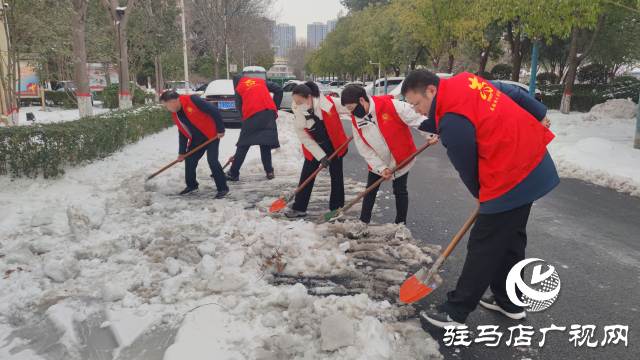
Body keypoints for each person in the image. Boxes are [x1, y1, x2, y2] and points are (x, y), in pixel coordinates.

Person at [400, 69, 558, 328]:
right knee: (510, 237)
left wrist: (482, 197)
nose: (416, 110)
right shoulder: (465, 81)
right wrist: (539, 113)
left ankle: (456, 310)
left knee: (484, 244)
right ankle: (508, 300)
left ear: (431, 90)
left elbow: (468, 168)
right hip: (532, 161)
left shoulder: (451, 119)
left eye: (417, 104)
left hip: (512, 175)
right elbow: (512, 91)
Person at [340, 84, 435, 240]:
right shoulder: (356, 120)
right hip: (378, 160)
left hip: (401, 158)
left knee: (400, 190)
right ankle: (363, 223)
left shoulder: (390, 105)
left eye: (351, 108)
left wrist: (430, 135)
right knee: (370, 190)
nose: (351, 112)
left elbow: (417, 118)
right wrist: (380, 167)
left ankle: (400, 225)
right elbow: (364, 147)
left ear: (362, 100)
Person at [286, 82, 349, 218]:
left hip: (335, 145)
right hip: (314, 146)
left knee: (337, 177)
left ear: (309, 97)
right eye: (295, 101)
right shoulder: (298, 112)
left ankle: (336, 209)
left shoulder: (329, 103)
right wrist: (321, 156)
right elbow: (304, 138)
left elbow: (352, 106)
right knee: (307, 175)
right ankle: (299, 208)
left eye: (300, 101)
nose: (297, 104)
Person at [160, 90, 229, 198]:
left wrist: (220, 129)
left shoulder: (192, 100)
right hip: (197, 139)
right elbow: (182, 132)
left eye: (166, 106)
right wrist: (182, 152)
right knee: (190, 159)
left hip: (211, 135)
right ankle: (192, 186)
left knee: (212, 160)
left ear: (173, 102)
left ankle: (223, 188)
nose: (168, 109)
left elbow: (214, 111)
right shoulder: (176, 113)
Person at [226, 74, 283, 181]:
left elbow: (239, 107)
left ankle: (233, 173)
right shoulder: (260, 81)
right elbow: (279, 89)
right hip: (268, 112)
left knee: (243, 144)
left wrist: (245, 120)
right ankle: (269, 171)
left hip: (253, 114)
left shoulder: (239, 88)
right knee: (265, 142)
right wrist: (275, 107)